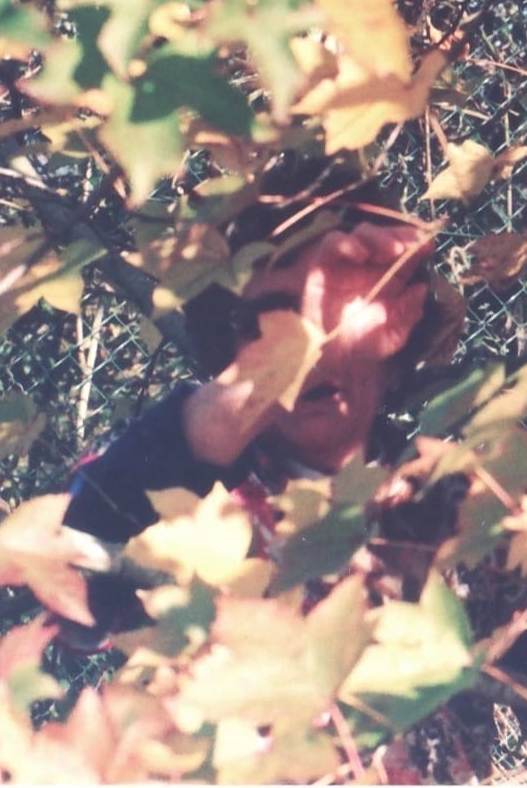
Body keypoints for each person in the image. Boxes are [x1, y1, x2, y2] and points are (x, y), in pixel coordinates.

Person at [56, 190, 441, 642]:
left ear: (399, 326)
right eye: (270, 324)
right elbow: (68, 580)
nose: (314, 349)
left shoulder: (462, 500)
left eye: (336, 313)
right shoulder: (190, 501)